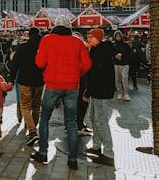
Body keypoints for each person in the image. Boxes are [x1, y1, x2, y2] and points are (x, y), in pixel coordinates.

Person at [31, 16, 92, 170]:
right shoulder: (78, 42)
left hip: (52, 84)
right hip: (72, 86)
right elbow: (87, 64)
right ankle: (72, 159)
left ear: (55, 26)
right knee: (71, 122)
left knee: (44, 118)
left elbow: (39, 63)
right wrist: (76, 73)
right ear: (69, 27)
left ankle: (43, 152)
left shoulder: (47, 39)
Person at [84, 28, 116, 166]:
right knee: (93, 118)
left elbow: (98, 76)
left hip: (102, 92)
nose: (89, 38)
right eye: (88, 36)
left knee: (101, 121)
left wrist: (88, 91)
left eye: (91, 36)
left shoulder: (101, 52)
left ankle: (108, 154)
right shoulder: (96, 50)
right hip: (97, 91)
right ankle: (96, 147)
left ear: (98, 38)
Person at [9, 28, 44, 146]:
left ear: (29, 35)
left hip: (24, 80)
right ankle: (32, 130)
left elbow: (14, 64)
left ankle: (32, 131)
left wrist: (11, 79)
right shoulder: (42, 47)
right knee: (36, 106)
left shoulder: (22, 47)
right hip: (39, 81)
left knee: (25, 106)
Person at [113, 30, 131, 101]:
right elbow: (111, 53)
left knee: (124, 78)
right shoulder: (113, 45)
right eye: (116, 36)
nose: (118, 37)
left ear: (121, 36)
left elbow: (129, 54)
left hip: (125, 64)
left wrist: (122, 56)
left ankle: (126, 94)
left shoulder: (126, 45)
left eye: (119, 36)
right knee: (117, 79)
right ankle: (119, 93)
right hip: (116, 64)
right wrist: (115, 55)